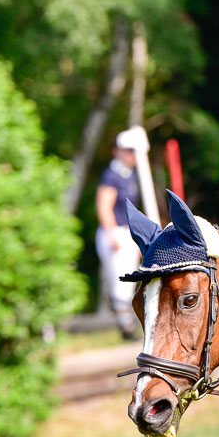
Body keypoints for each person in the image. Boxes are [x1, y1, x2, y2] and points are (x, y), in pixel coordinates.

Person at [95, 129, 142, 339]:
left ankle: (128, 327)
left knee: (128, 284)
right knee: (120, 284)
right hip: (115, 233)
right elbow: (104, 205)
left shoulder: (129, 175)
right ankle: (127, 328)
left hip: (125, 234)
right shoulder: (112, 175)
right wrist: (111, 233)